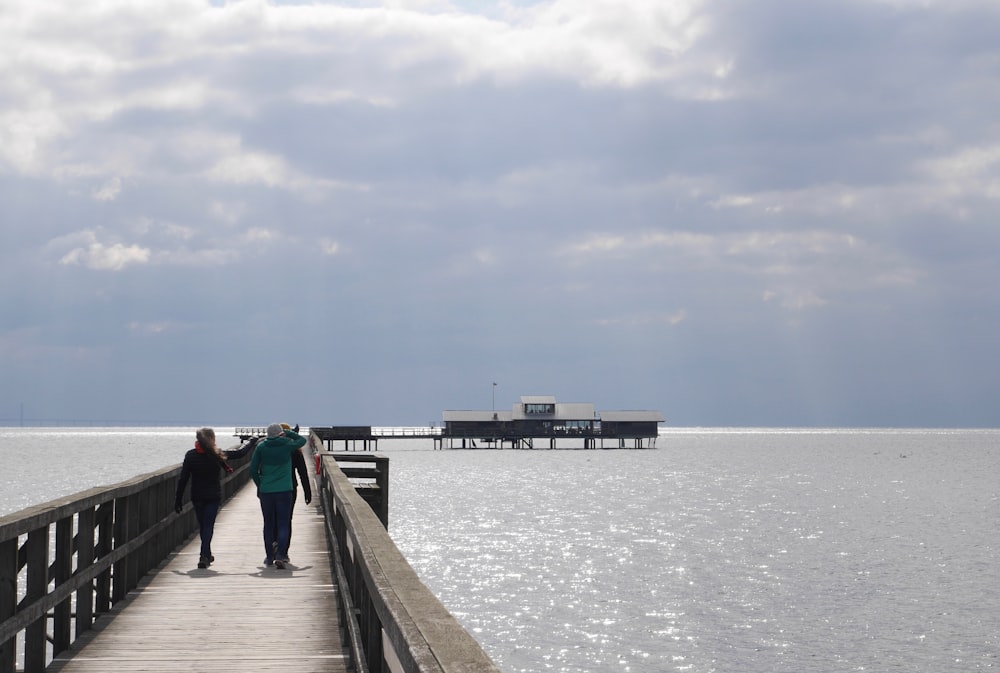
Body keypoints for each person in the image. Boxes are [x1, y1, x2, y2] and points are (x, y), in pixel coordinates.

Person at [174, 428, 259, 569]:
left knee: (203, 526)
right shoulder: (217, 454)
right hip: (213, 496)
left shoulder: (190, 455)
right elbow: (240, 453)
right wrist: (251, 441)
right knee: (208, 526)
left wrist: (178, 499)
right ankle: (204, 554)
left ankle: (205, 554)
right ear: (211, 439)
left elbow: (183, 479)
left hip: (197, 496)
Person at [250, 422, 306, 569]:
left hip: (266, 492)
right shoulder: (287, 445)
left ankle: (269, 556)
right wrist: (288, 433)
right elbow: (302, 441)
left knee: (268, 523)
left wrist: (260, 484)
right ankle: (281, 555)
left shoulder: (261, 447)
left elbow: (253, 470)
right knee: (283, 523)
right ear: (280, 433)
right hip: (285, 490)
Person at [270, 423, 311, 561]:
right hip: (290, 488)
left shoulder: (267, 448)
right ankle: (283, 551)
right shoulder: (294, 451)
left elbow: (259, 469)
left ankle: (273, 545)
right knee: (286, 520)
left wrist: (259, 487)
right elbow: (303, 472)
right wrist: (308, 491)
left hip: (270, 489)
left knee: (273, 519)